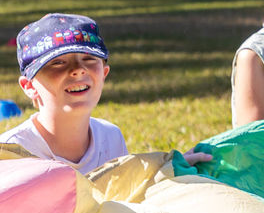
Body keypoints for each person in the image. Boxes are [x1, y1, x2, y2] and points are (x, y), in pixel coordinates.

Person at [2, 13, 211, 171]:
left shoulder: (110, 137)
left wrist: (169, 169)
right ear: (28, 86)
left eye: (89, 59)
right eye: (58, 62)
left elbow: (123, 195)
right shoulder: (12, 153)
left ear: (104, 74)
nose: (78, 69)